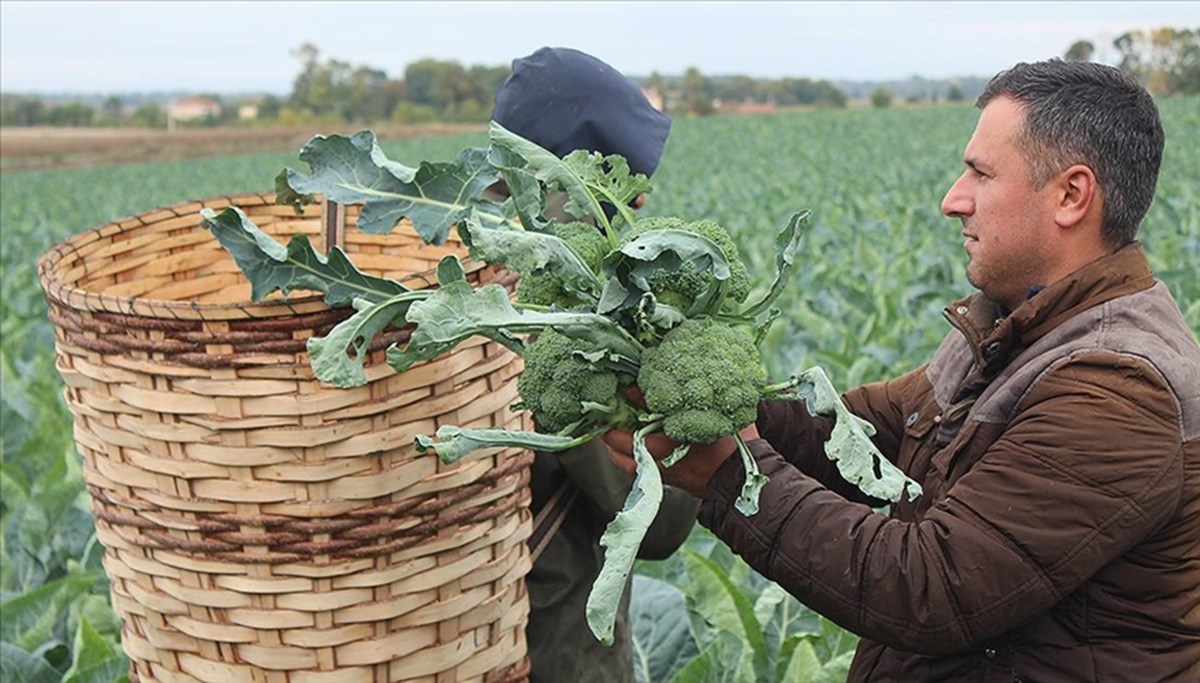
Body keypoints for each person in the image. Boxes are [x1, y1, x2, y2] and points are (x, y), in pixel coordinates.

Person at [605, 58, 1200, 681]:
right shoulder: (1016, 325)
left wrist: (730, 475)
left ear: (1071, 195)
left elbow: (932, 587)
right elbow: (862, 433)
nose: (953, 199)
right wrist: (694, 389)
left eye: (980, 173)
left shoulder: (1118, 389)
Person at [489, 46, 700, 683]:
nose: (637, 211)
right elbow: (658, 524)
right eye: (626, 188)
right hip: (550, 652)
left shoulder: (431, 274)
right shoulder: (562, 316)